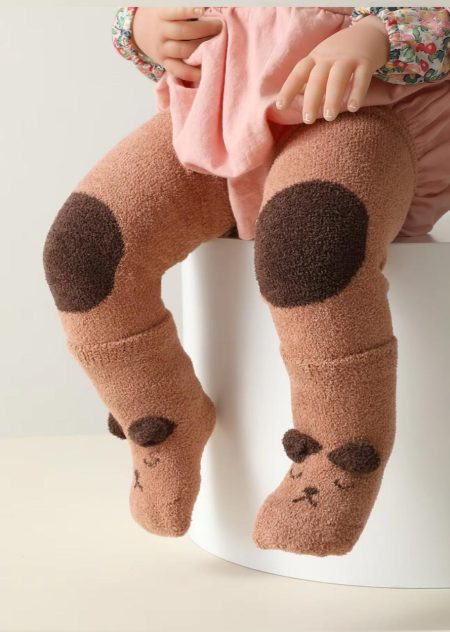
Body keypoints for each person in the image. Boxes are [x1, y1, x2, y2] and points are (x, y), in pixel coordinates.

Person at [42, 7, 450, 556]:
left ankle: (341, 455)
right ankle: (157, 420)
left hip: (357, 111)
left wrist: (378, 35)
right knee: (85, 249)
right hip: (216, 114)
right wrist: (141, 28)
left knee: (310, 247)